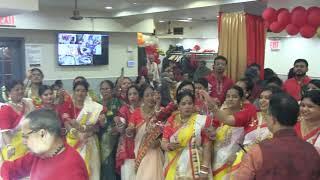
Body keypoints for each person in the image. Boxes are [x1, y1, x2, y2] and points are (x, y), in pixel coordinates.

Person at [236, 93, 320, 180]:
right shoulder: (314, 151)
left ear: (273, 119)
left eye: (267, 115)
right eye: (303, 105)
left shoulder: (258, 151)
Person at [0, 109, 89, 180]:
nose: (23, 142)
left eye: (25, 136)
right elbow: (11, 169)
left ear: (42, 134)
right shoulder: (39, 154)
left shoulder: (72, 170)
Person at [201, 86, 257, 179]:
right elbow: (213, 127)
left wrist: (236, 155)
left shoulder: (246, 113)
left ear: (241, 99)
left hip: (232, 159)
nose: (230, 99)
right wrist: (211, 132)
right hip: (216, 156)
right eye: (228, 96)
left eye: (234, 97)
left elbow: (227, 120)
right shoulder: (223, 111)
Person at [230, 86, 282, 177]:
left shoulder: (281, 122)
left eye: (267, 98)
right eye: (261, 98)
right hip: (244, 160)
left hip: (266, 164)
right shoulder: (253, 116)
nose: (262, 100)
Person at [162, 91, 212, 180]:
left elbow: (207, 145)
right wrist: (168, 146)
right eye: (183, 104)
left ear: (193, 105)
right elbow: (164, 142)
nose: (187, 106)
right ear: (178, 106)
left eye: (190, 103)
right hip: (175, 165)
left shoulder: (201, 120)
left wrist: (204, 169)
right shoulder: (172, 120)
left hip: (196, 165)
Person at [65, 81, 104, 180]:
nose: (80, 93)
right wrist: (78, 135)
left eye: (83, 91)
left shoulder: (94, 107)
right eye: (77, 90)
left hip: (90, 142)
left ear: (87, 92)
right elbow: (66, 124)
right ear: (73, 92)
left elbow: (97, 127)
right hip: (74, 143)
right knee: (75, 170)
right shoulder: (68, 106)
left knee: (93, 170)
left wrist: (83, 129)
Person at [126, 85, 164, 180]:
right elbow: (130, 131)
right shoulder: (136, 113)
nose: (151, 98)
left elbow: (167, 133)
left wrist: (158, 142)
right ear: (142, 98)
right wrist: (129, 130)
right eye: (147, 95)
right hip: (140, 150)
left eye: (152, 94)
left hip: (155, 150)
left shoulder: (162, 111)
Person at [0, 80, 34, 161]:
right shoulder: (5, 109)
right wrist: (9, 146)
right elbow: (5, 132)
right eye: (17, 90)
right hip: (14, 145)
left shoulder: (28, 103)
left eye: (22, 89)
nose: (21, 91)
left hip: (31, 142)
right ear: (9, 93)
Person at [98, 80, 122, 180]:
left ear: (112, 90)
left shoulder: (117, 102)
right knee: (105, 163)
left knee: (115, 163)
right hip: (101, 138)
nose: (105, 91)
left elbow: (123, 118)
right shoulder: (97, 105)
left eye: (107, 88)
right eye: (102, 89)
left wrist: (119, 126)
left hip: (116, 138)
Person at [115, 85, 140, 180]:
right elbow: (121, 129)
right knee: (129, 175)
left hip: (143, 145)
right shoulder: (124, 110)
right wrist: (119, 124)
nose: (132, 96)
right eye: (130, 94)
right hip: (128, 148)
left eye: (135, 94)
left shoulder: (145, 109)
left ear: (139, 95)